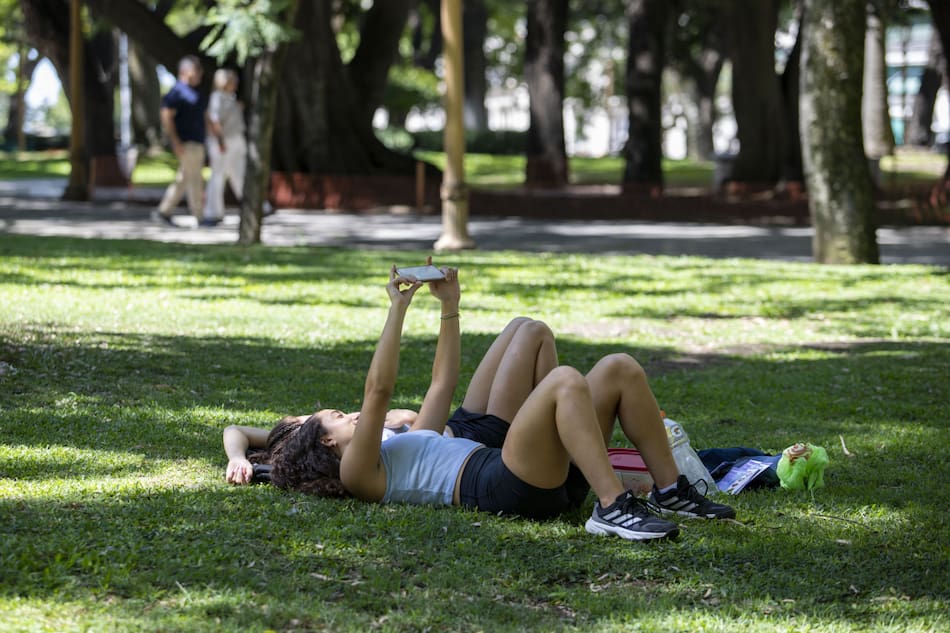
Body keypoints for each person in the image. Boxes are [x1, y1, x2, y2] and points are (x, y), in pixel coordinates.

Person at [224, 266, 734, 542]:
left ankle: (671, 492)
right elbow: (377, 390)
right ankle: (611, 508)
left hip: (523, 473)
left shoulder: (392, 446)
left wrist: (449, 307)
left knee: (618, 367)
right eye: (336, 418)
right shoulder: (361, 475)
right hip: (502, 486)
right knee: (562, 382)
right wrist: (395, 310)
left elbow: (443, 383)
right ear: (328, 443)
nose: (348, 414)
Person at [154, 55, 208, 226]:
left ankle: (163, 211)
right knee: (194, 179)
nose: (200, 73)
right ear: (185, 71)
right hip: (186, 142)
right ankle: (199, 216)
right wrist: (175, 141)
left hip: (197, 141)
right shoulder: (176, 92)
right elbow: (166, 116)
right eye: (196, 70)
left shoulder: (196, 92)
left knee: (184, 178)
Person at [201, 68, 246, 227]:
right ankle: (212, 213)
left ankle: (253, 206)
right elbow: (214, 121)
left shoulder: (231, 98)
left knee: (239, 174)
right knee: (218, 176)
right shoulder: (217, 97)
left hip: (236, 140)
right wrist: (220, 141)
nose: (235, 84)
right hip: (223, 142)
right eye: (232, 80)